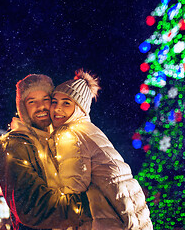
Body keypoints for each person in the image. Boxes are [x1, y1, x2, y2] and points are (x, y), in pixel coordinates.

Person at [45, 69, 153, 229]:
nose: (57, 108)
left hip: (108, 215)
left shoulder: (69, 133)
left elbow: (74, 184)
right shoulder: (89, 129)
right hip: (128, 212)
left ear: (80, 108)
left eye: (66, 103)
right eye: (54, 102)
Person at [0, 74, 91, 230]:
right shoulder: (14, 145)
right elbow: (33, 209)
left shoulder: (61, 142)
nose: (41, 107)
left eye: (46, 99)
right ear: (22, 108)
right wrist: (92, 204)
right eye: (32, 101)